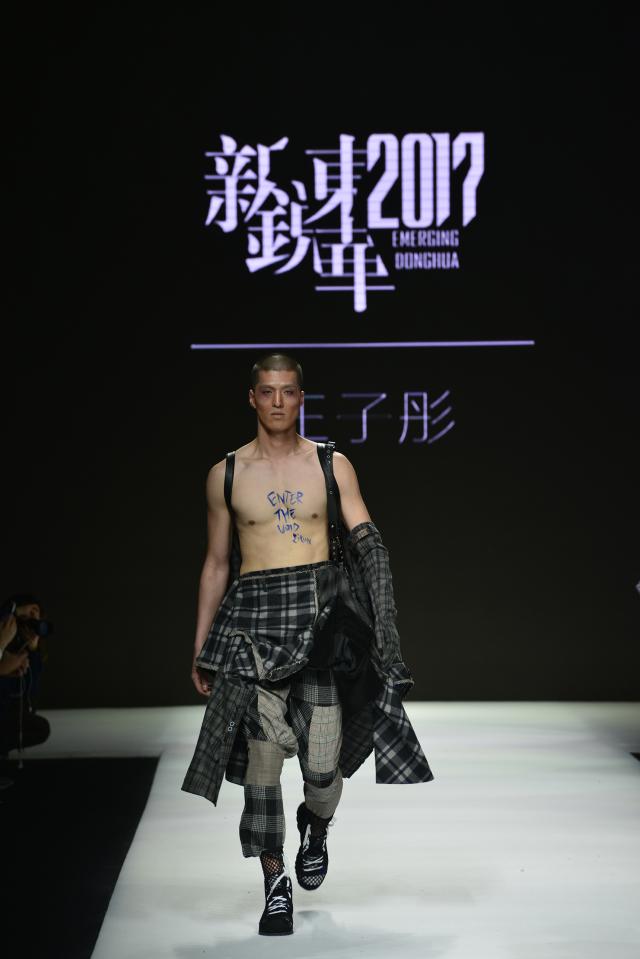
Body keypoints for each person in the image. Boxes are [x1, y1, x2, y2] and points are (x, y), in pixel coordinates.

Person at [182, 352, 434, 936]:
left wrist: (384, 628)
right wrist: (202, 646)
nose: (278, 401)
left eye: (288, 391)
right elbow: (217, 563)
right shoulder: (225, 474)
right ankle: (275, 885)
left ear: (301, 397)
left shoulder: (330, 464)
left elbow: (367, 539)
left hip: (320, 630)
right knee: (263, 763)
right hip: (252, 628)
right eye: (267, 391)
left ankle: (315, 825)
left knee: (323, 768)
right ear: (252, 397)